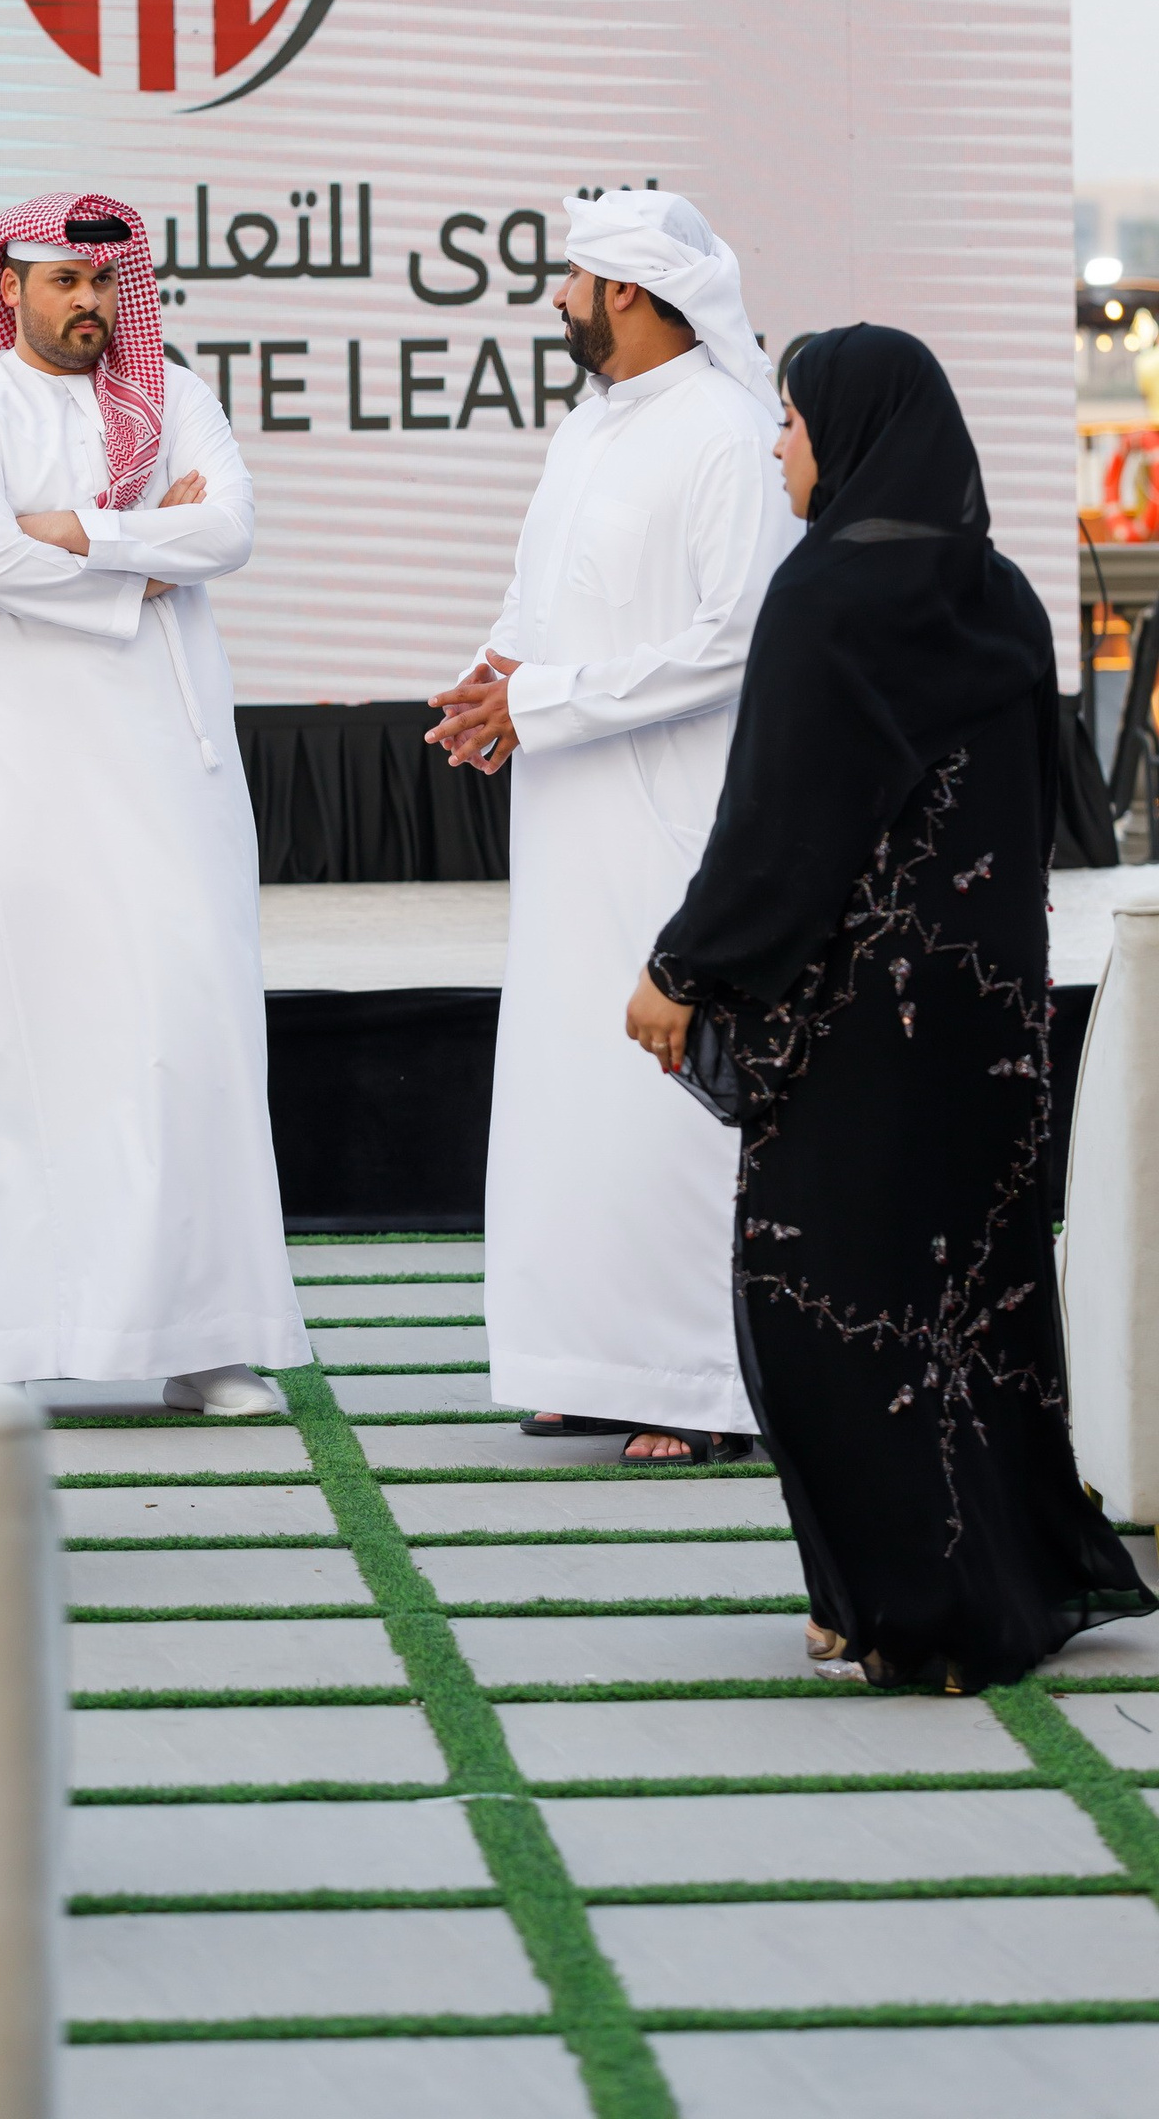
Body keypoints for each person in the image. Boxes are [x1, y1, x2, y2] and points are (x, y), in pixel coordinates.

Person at [628, 324, 1154, 1686]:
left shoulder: (823, 598)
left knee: (824, 1308)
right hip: (988, 1016)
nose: (777, 447)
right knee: (975, 1305)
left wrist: (682, 970)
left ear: (853, 435)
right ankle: (951, 1582)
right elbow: (1030, 821)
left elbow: (780, 830)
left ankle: (911, 1606)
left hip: (861, 1023)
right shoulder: (1005, 598)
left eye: (793, 421)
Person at [0, 193, 307, 1412]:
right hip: (16, 779)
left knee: (186, 1029)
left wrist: (73, 532)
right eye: (64, 281)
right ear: (9, 286)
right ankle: (0, 1340)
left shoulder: (173, 395)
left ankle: (202, 1341)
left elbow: (226, 530)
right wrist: (138, 552)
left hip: (167, 773)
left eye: (103, 282)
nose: (88, 302)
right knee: (14, 1044)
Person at [427, 188, 800, 1463]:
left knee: (660, 1090)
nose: (560, 300)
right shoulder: (589, 424)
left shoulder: (727, 434)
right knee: (570, 1084)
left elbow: (734, 642)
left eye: (574, 280)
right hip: (568, 811)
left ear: (628, 294)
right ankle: (591, 1361)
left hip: (669, 815)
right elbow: (542, 592)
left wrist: (545, 702)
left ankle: (700, 1386)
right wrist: (496, 676)